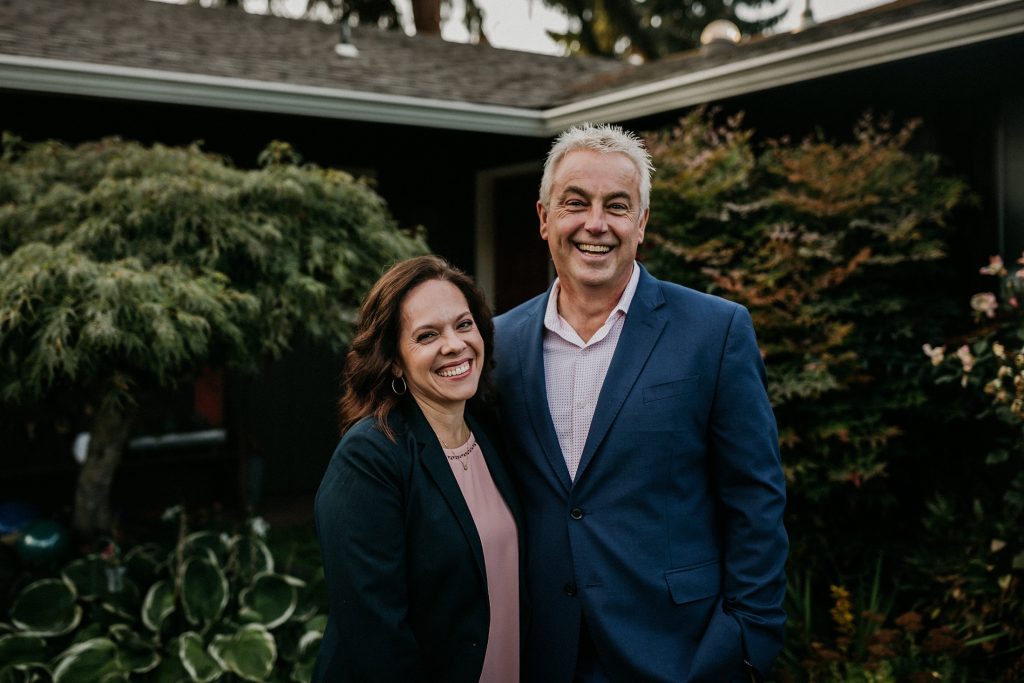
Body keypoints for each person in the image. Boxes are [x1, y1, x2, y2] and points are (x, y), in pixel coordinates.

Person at [493, 123, 788, 683]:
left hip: (681, 650)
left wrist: (748, 641)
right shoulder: (499, 344)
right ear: (544, 218)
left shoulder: (715, 330)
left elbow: (756, 497)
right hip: (542, 651)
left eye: (617, 206)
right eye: (575, 203)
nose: (595, 224)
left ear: (642, 223)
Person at [314, 255, 523, 683]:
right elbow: (377, 637)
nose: (454, 345)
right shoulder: (369, 458)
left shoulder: (490, 434)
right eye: (427, 335)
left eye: (464, 325)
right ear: (394, 361)